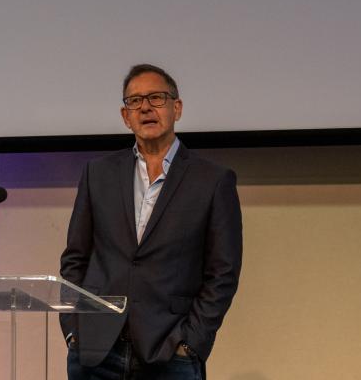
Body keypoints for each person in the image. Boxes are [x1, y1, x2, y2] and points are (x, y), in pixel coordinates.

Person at [60, 64, 243, 379]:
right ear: (125, 116)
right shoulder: (98, 174)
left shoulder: (213, 180)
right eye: (135, 101)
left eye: (156, 98)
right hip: (95, 353)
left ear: (177, 108)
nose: (145, 107)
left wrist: (192, 342)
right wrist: (73, 331)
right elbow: (75, 258)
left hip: (171, 355)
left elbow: (223, 273)